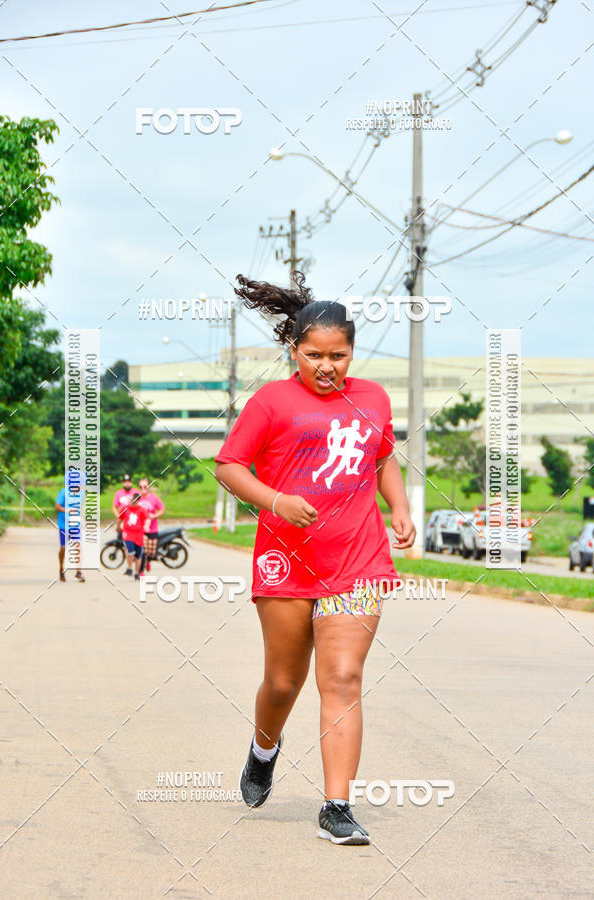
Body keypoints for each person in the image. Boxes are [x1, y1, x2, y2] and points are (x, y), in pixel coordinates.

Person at [214, 272, 415, 845]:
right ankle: (263, 748)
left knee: (344, 676)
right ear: (294, 350)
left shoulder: (373, 397)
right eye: (313, 355)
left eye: (339, 355)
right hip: (285, 560)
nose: (326, 367)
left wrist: (397, 505)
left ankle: (337, 805)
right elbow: (230, 466)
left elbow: (381, 458)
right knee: (282, 681)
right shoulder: (272, 401)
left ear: (352, 352)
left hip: (357, 558)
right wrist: (277, 500)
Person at [55, 483, 85, 582]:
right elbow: (57, 507)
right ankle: (61, 568)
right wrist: (67, 510)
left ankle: (79, 572)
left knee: (78, 546)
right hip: (64, 525)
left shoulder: (81, 494)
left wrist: (82, 520)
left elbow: (79, 509)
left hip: (75, 525)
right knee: (63, 548)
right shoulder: (63, 492)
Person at [137, 478, 165, 572]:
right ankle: (141, 571)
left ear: (148, 487)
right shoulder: (137, 497)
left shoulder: (154, 497)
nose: (142, 488)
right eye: (140, 487)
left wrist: (154, 515)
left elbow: (162, 509)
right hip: (141, 529)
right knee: (143, 550)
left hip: (153, 528)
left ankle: (148, 561)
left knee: (151, 552)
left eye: (145, 486)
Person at [121, 492, 147, 579]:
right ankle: (129, 568)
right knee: (130, 550)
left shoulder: (142, 510)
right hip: (128, 533)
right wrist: (117, 527)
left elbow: (147, 519)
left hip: (139, 534)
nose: (132, 503)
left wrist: (147, 527)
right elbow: (120, 518)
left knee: (138, 556)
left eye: (134, 501)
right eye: (131, 500)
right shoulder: (125, 508)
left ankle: (136, 573)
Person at [113, 474, 136, 542]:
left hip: (133, 520)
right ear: (123, 483)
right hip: (123, 520)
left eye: (128, 482)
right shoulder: (119, 493)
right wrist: (119, 516)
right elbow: (115, 507)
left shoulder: (136, 492)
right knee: (122, 540)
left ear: (131, 483)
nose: (127, 484)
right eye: (125, 482)